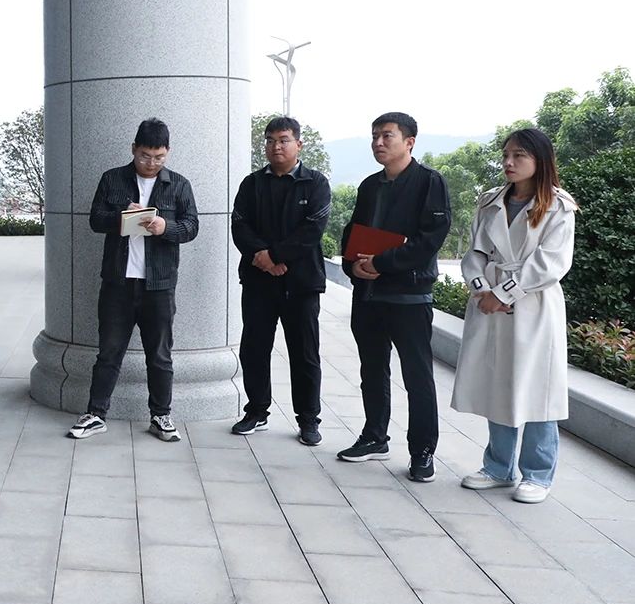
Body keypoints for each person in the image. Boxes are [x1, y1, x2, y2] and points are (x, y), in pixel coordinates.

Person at [452, 128, 577, 504]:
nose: (509, 162)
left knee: (538, 387)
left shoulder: (558, 207)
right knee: (498, 382)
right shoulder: (490, 201)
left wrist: (504, 293)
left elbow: (551, 263)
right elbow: (474, 253)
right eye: (506, 154)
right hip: (489, 301)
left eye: (519, 155)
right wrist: (481, 290)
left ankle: (538, 473)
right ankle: (498, 467)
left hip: (534, 306)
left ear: (540, 160)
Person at [67, 119, 199, 443]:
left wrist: (165, 227)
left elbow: (191, 226)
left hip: (159, 285)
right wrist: (123, 217)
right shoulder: (112, 179)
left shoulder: (179, 185)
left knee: (160, 355)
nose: (151, 163)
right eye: (144, 156)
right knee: (109, 352)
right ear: (133, 149)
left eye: (159, 157)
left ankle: (161, 415)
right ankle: (96, 414)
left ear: (167, 153)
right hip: (118, 282)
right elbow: (95, 220)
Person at [336, 111, 451, 482]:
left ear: (409, 142)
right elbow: (353, 231)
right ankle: (374, 437)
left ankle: (422, 451)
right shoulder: (370, 185)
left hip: (409, 296)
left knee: (417, 376)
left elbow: (430, 239)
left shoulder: (429, 182)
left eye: (387, 135)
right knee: (372, 369)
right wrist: (352, 265)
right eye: (374, 136)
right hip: (369, 294)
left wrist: (382, 263)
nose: (378, 143)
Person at [230, 116, 332, 445]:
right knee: (254, 349)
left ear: (298, 144)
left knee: (304, 353)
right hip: (258, 281)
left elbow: (312, 230)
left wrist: (273, 256)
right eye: (271, 140)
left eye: (284, 140)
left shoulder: (315, 183)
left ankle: (308, 419)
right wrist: (262, 258)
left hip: (301, 284)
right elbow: (239, 225)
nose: (276, 146)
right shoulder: (252, 184)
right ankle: (257, 411)